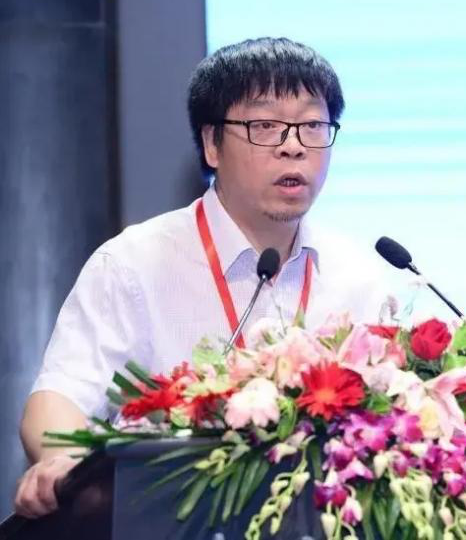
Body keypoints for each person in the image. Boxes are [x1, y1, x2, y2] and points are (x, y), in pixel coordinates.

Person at [15, 37, 392, 517]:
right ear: (212, 143)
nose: (294, 146)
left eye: (313, 125)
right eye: (265, 126)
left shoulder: (359, 276)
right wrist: (63, 462)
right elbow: (59, 397)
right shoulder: (133, 264)